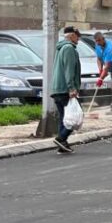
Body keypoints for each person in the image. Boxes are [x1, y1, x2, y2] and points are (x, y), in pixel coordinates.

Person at [50, 26, 82, 154]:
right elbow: (69, 70)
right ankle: (61, 138)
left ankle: (62, 145)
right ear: (72, 36)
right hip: (65, 89)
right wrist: (72, 88)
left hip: (58, 88)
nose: (78, 39)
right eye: (77, 36)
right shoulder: (68, 48)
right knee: (75, 117)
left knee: (65, 118)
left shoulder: (61, 48)